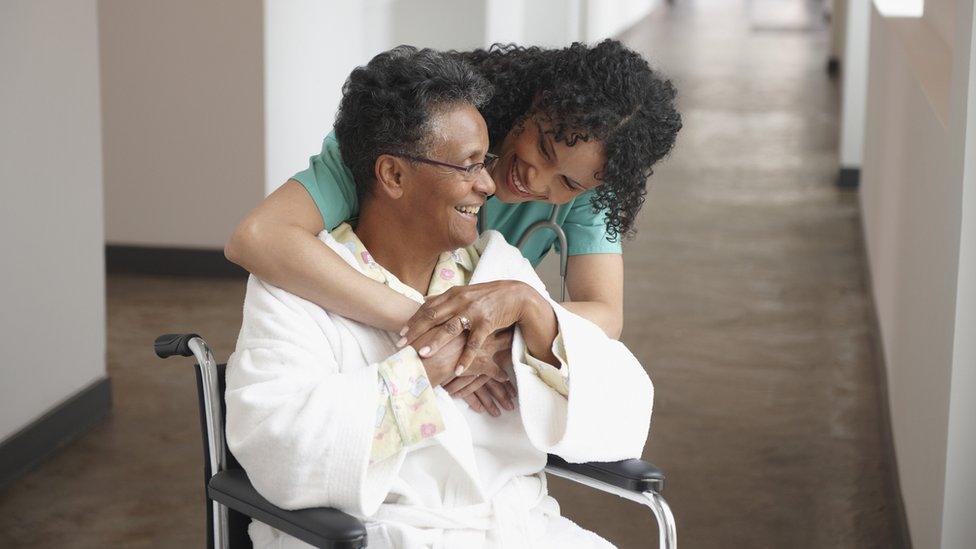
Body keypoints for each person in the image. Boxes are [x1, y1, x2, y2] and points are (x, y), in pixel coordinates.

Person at [225, 46, 653, 549]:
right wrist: (426, 355)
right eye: (472, 164)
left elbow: (624, 407)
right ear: (393, 175)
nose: (491, 184)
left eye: (569, 182)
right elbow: (284, 454)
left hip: (518, 527)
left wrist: (533, 317)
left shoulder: (495, 271)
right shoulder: (297, 290)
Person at [223, 40, 680, 414]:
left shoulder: (585, 195)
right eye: (542, 146)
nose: (535, 179)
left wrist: (523, 306)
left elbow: (605, 317)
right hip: (362, 356)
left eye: (568, 182)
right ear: (537, 103)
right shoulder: (413, 132)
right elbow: (259, 237)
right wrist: (439, 324)